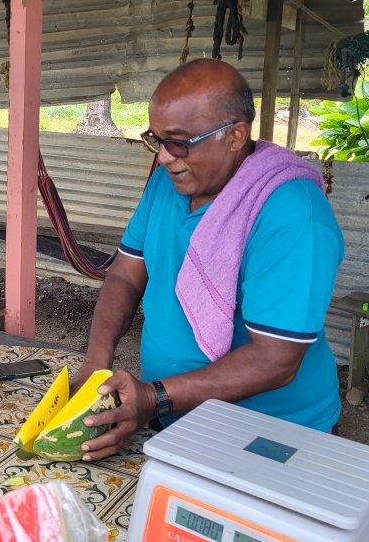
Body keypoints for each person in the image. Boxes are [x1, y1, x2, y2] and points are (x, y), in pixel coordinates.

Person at [73, 58, 344, 460]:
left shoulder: (293, 215)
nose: (164, 157)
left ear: (235, 135)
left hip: (274, 435)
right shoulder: (167, 185)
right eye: (156, 139)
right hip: (173, 416)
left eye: (178, 142)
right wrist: (96, 362)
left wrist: (153, 396)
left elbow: (275, 359)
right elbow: (126, 277)